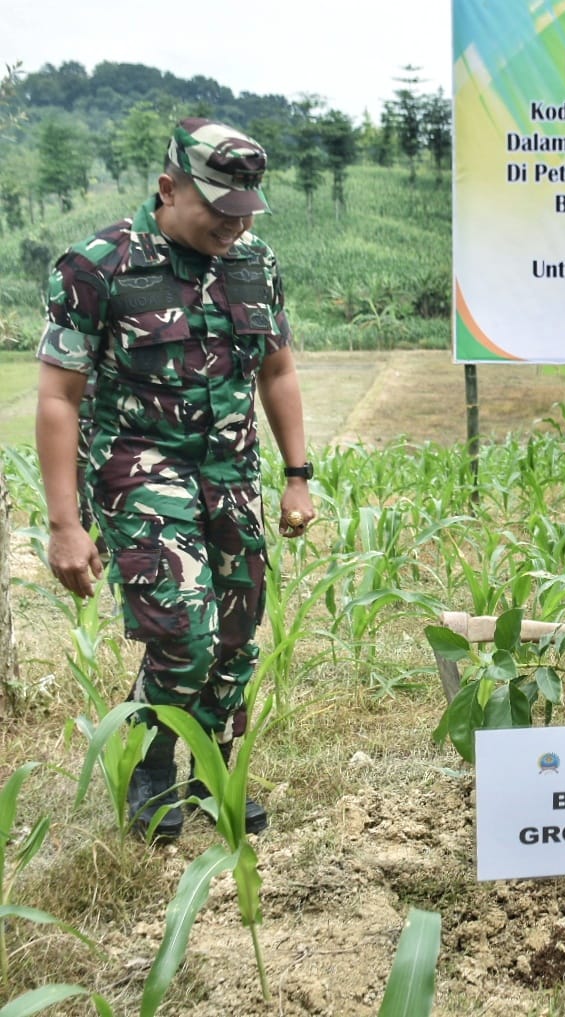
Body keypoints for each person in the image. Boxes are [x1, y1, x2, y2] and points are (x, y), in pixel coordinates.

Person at [35, 118, 316, 841]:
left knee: (238, 633)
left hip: (230, 469)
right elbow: (58, 398)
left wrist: (297, 475)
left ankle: (217, 766)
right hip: (139, 469)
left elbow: (277, 370)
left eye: (245, 209)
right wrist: (65, 524)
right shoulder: (98, 266)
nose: (232, 223)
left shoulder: (255, 263)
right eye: (218, 206)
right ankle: (152, 763)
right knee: (184, 633)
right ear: (167, 188)